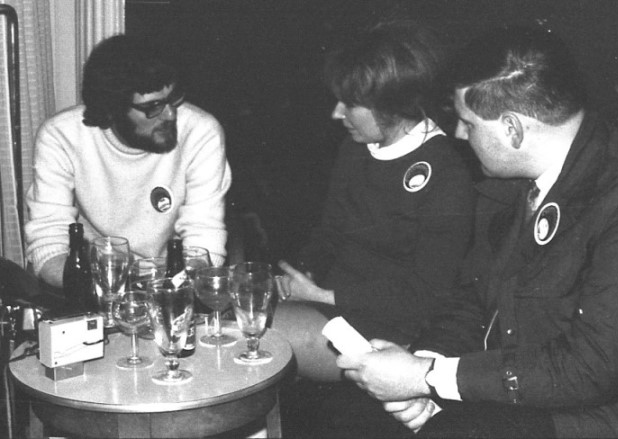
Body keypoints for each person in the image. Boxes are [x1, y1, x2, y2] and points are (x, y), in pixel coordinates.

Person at [333, 24, 618, 438]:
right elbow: (474, 295)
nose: (459, 134)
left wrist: (428, 376)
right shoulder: (510, 179)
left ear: (512, 129)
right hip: (519, 392)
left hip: (596, 415)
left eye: (468, 123)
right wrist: (425, 366)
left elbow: (592, 368)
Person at [272, 20, 476, 382]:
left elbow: (429, 293)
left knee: (252, 333)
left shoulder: (447, 172)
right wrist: (300, 274)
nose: (337, 113)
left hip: (391, 333)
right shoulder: (355, 148)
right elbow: (330, 233)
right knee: (236, 317)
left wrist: (324, 295)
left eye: (350, 104)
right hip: (331, 305)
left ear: (392, 106)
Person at [25, 34, 231, 289]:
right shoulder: (61, 135)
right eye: (153, 106)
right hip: (92, 281)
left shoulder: (201, 132)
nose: (170, 115)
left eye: (173, 98)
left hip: (168, 283)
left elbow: (204, 241)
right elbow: (49, 243)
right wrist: (103, 291)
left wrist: (168, 291)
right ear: (112, 109)